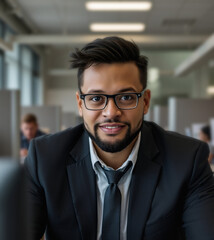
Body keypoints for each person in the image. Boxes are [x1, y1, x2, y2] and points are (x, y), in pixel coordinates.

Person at [25, 37, 214, 240]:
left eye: (126, 97)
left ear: (146, 101)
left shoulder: (187, 160)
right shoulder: (44, 158)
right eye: (96, 98)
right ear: (80, 104)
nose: (111, 112)